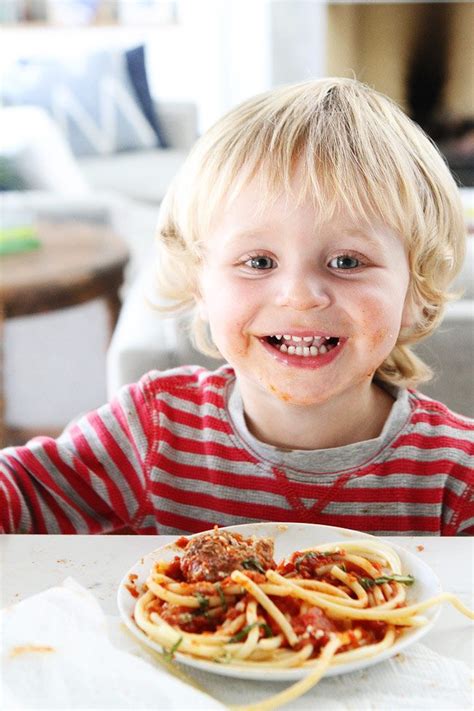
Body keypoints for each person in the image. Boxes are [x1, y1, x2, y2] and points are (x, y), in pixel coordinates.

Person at [1, 78, 472, 536]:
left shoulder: (457, 476)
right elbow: (19, 495)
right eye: (259, 261)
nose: (300, 295)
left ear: (416, 293)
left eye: (347, 261)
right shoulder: (155, 431)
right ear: (199, 285)